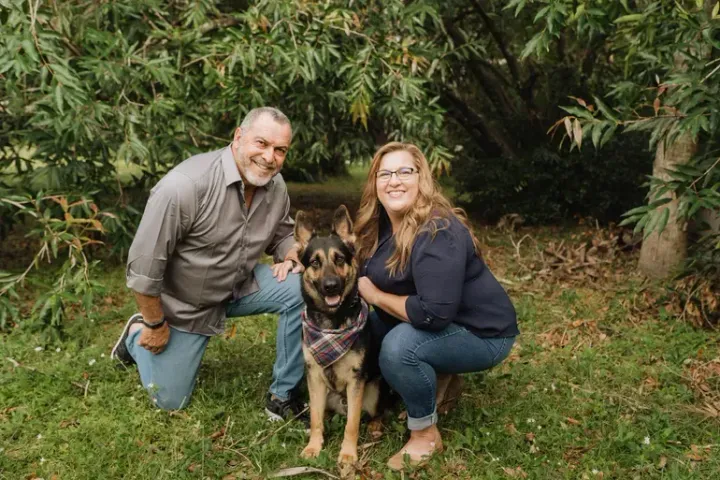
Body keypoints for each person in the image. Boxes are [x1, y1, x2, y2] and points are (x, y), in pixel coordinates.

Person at [111, 107, 308, 422]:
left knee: (302, 286)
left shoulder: (275, 185)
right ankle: (135, 336)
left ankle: (282, 395)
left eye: (280, 150)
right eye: (262, 143)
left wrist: (290, 253)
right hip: (186, 304)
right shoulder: (184, 186)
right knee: (170, 400)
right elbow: (143, 270)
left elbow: (282, 233)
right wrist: (153, 323)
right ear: (238, 136)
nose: (270, 157)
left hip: (239, 286)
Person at [354, 142, 519, 470]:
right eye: (385, 173)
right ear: (374, 182)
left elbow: (433, 313)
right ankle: (437, 377)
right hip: (445, 323)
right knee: (364, 330)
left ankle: (425, 435)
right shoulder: (383, 224)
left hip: (483, 333)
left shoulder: (437, 231)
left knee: (398, 349)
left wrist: (375, 297)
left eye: (405, 172)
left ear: (422, 178)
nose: (394, 181)